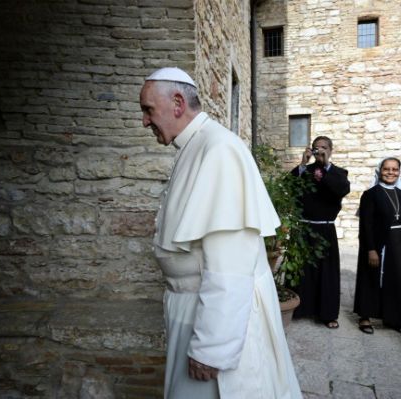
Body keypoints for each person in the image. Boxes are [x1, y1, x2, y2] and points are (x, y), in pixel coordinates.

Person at [140, 67, 302, 398]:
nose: (144, 121)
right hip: (191, 309)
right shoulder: (196, 146)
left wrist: (211, 348)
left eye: (148, 110)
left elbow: (230, 263)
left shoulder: (219, 150)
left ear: (177, 102)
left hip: (213, 322)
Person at [353, 157, 401, 334]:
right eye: (387, 169)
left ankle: (394, 317)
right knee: (371, 277)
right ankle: (365, 316)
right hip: (378, 242)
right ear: (380, 170)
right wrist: (371, 249)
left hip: (400, 244)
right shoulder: (371, 194)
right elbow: (366, 225)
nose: (391, 173)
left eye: (394, 169)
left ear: (399, 171)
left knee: (396, 279)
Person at [290, 136, 350, 329]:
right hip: (304, 226)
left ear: (331, 150)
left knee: (326, 272)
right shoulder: (304, 171)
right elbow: (289, 187)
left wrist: (325, 168)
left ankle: (327, 313)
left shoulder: (339, 173)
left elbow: (341, 189)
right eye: (316, 148)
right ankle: (300, 308)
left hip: (324, 228)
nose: (320, 151)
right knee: (301, 270)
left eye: (324, 148)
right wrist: (302, 163)